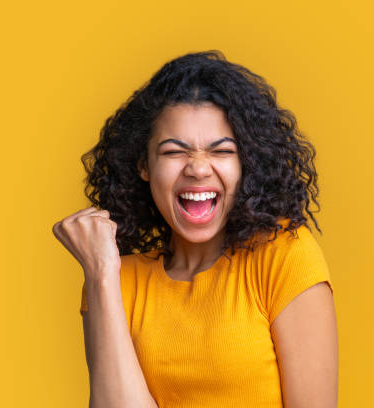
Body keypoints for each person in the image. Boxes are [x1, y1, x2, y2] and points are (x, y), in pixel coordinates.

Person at [52, 50, 338, 408]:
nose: (198, 168)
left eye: (221, 151)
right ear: (144, 165)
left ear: (246, 163)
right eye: (174, 152)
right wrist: (99, 275)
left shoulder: (284, 256)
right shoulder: (116, 283)